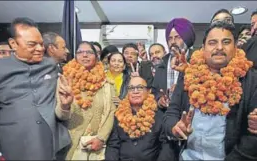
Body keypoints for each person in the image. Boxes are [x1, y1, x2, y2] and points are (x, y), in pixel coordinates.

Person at [164, 21, 257, 161]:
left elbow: (252, 136)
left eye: (226, 42)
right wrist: (175, 128)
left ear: (236, 47)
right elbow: (172, 112)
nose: (219, 47)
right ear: (203, 48)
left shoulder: (251, 80)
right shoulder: (188, 74)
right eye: (212, 42)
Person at [0, 17, 71, 160]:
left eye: (41, 44)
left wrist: (65, 104)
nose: (40, 49)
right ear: (13, 44)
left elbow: (60, 107)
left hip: (51, 142)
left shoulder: (50, 65)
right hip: (14, 144)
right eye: (32, 44)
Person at [55, 41, 116, 160]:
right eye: (80, 52)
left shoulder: (106, 83)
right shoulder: (64, 80)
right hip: (70, 143)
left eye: (89, 52)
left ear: (97, 56)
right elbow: (59, 116)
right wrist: (65, 106)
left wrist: (101, 138)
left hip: (98, 146)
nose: (85, 55)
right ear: (75, 56)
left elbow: (111, 112)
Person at [105, 76, 177, 161]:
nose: (135, 91)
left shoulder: (159, 115)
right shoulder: (119, 115)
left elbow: (166, 146)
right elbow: (113, 146)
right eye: (131, 88)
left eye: (140, 87)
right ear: (127, 92)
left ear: (148, 91)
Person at [152, 18, 195, 111]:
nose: (173, 42)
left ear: (187, 39)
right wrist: (160, 100)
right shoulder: (161, 62)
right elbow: (155, 91)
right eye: (170, 38)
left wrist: (181, 89)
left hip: (189, 115)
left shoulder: (198, 60)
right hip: (165, 116)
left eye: (178, 37)